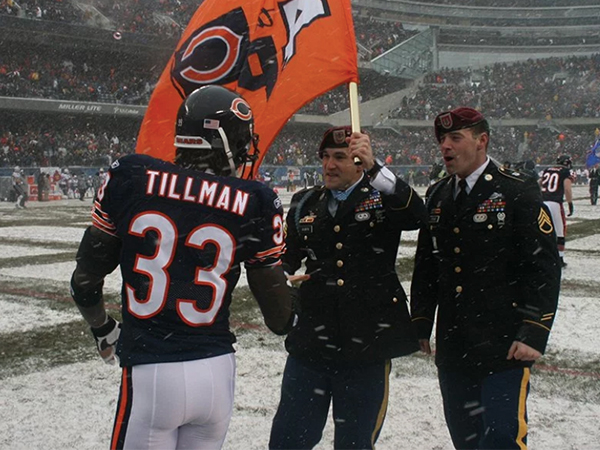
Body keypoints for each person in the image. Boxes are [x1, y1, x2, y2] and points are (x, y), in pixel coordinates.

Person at [70, 85, 295, 450]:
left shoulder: (131, 176)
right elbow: (279, 319)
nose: (245, 150)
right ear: (224, 141)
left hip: (153, 372)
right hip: (216, 372)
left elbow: (84, 281)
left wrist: (103, 328)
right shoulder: (255, 200)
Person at [411, 107, 561, 450]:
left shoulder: (516, 189)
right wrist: (421, 321)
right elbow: (427, 264)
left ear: (482, 141)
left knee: (502, 439)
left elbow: (543, 266)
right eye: (442, 139)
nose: (445, 146)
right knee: (466, 439)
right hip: (454, 344)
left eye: (455, 137)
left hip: (503, 344)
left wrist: (534, 330)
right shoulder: (437, 194)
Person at [269, 126, 427, 450]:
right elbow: (287, 254)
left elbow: (418, 216)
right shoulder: (305, 202)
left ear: (359, 163)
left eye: (340, 157)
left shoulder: (382, 198)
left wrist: (376, 169)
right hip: (312, 341)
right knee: (288, 438)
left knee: (355, 443)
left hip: (367, 344)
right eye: (325, 157)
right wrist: (280, 277)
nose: (329, 165)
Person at [540, 154, 575, 267]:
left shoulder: (547, 170)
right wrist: (570, 203)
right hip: (555, 203)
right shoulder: (565, 172)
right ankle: (560, 258)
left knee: (544, 231)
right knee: (560, 232)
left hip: (543, 202)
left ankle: (543, 255)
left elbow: (539, 183)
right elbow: (567, 188)